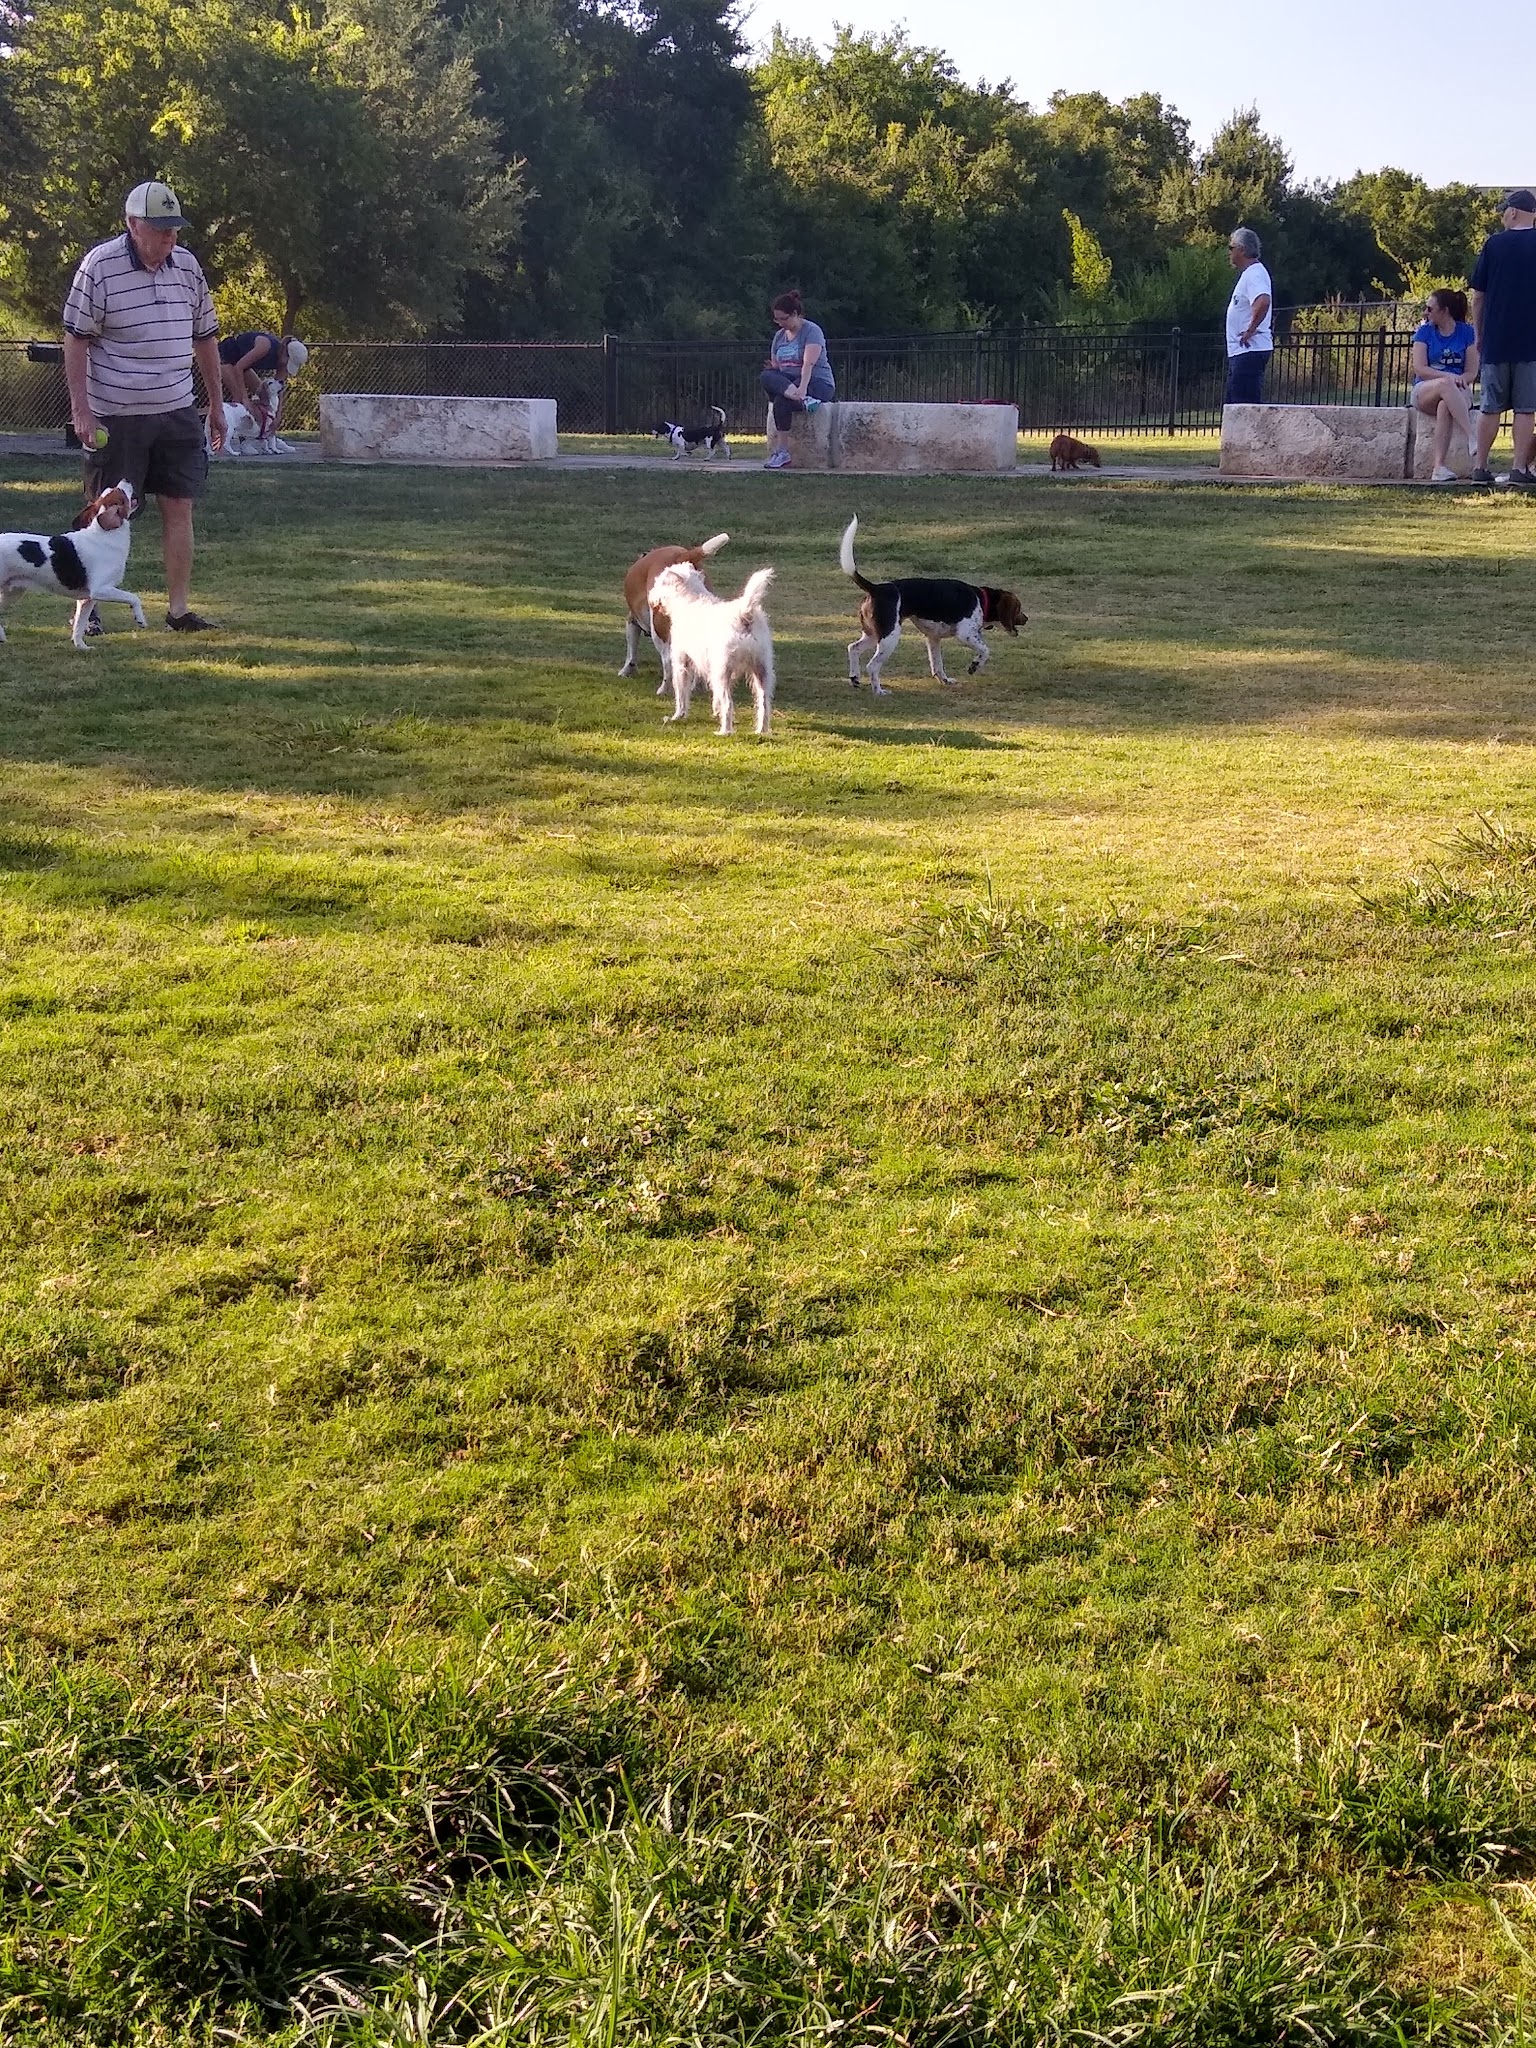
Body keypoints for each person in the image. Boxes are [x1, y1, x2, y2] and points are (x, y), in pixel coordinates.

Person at [62, 179, 226, 632]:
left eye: (174, 227)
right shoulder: (100, 266)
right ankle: (87, 612)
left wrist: (215, 404)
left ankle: (179, 611)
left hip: (177, 410)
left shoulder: (187, 266)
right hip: (117, 414)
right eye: (160, 227)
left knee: (180, 507)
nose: (170, 236)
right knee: (105, 513)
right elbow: (75, 340)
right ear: (133, 225)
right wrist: (81, 410)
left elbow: (206, 338)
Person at [1470, 189, 1536, 489]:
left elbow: (1478, 295)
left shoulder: (1494, 244)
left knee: (1490, 406)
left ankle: (1480, 466)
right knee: (1525, 408)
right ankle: (1519, 468)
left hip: (1497, 339)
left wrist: (1479, 333)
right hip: (1531, 341)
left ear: (1512, 212)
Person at [760, 290, 835, 471]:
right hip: (790, 385)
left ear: (794, 314)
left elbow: (808, 364)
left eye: (783, 319)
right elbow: (776, 367)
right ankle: (803, 401)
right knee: (766, 375)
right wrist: (788, 388)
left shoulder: (812, 331)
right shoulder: (779, 337)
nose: (780, 323)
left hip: (816, 382)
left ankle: (782, 451)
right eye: (776, 319)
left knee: (781, 401)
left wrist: (802, 388)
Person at [1411, 288, 1480, 483]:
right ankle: (1471, 436)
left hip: (1457, 390)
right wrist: (1448, 376)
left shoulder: (1467, 332)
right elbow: (1420, 369)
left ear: (1445, 310)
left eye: (1430, 308)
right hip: (1426, 390)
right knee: (1445, 384)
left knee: (1445, 406)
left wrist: (1458, 380)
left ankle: (1439, 467)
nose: (1426, 312)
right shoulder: (1424, 332)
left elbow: (1471, 372)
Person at [1224, 227, 1273, 405]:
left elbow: (1263, 300)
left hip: (1249, 351)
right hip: (1243, 353)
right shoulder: (1250, 274)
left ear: (1242, 249)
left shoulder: (1255, 273)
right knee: (1235, 406)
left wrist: (1250, 330)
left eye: (1231, 248)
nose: (1229, 252)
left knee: (1243, 407)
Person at [218, 329, 309, 425]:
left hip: (242, 365)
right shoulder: (265, 346)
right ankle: (229, 426)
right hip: (226, 359)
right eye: (289, 362)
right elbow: (238, 368)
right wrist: (245, 399)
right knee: (240, 399)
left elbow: (279, 389)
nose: (286, 367)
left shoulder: (282, 362)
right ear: (285, 352)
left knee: (264, 395)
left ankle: (260, 427)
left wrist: (277, 416)